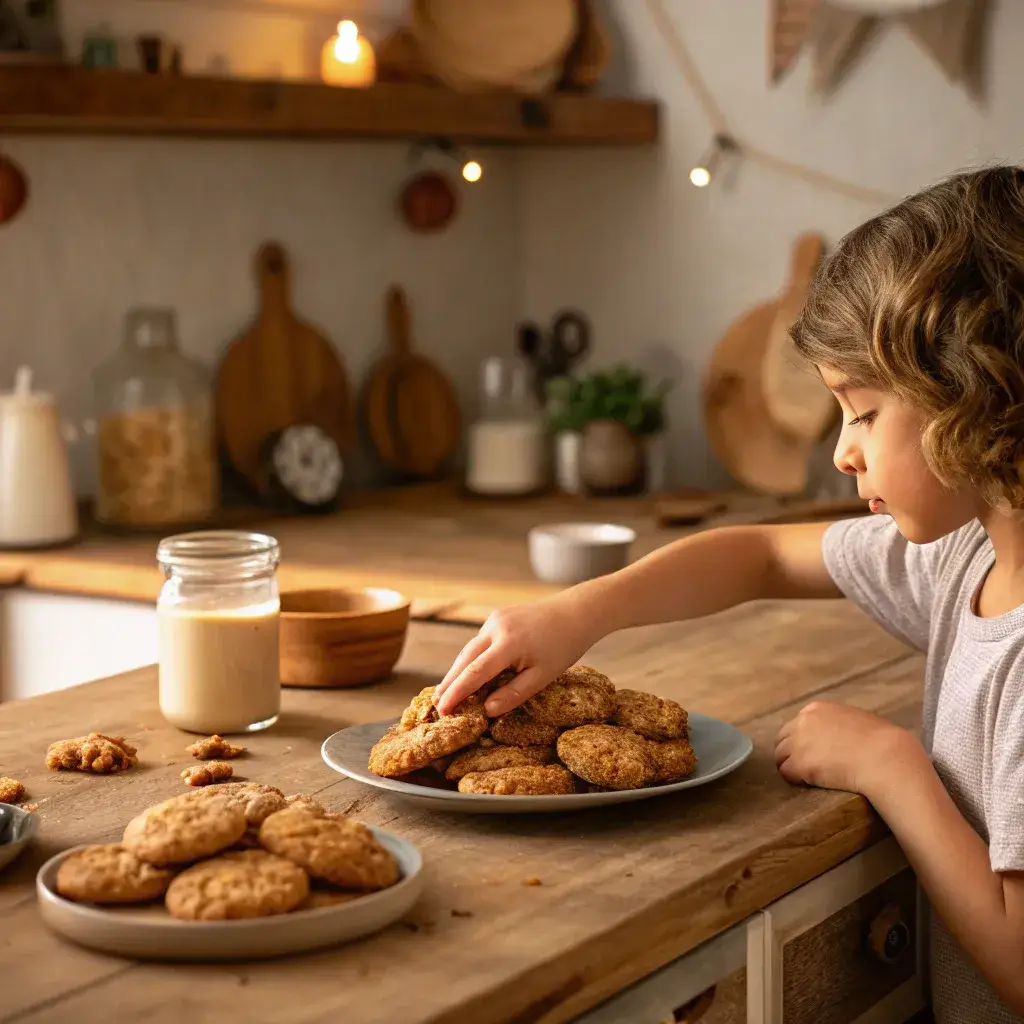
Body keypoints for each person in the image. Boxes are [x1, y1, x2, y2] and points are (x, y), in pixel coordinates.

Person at [434, 166, 1024, 1021]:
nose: (842, 454)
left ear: (974, 394)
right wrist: (581, 612)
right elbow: (758, 557)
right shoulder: (965, 557)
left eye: (862, 413)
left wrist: (893, 768)